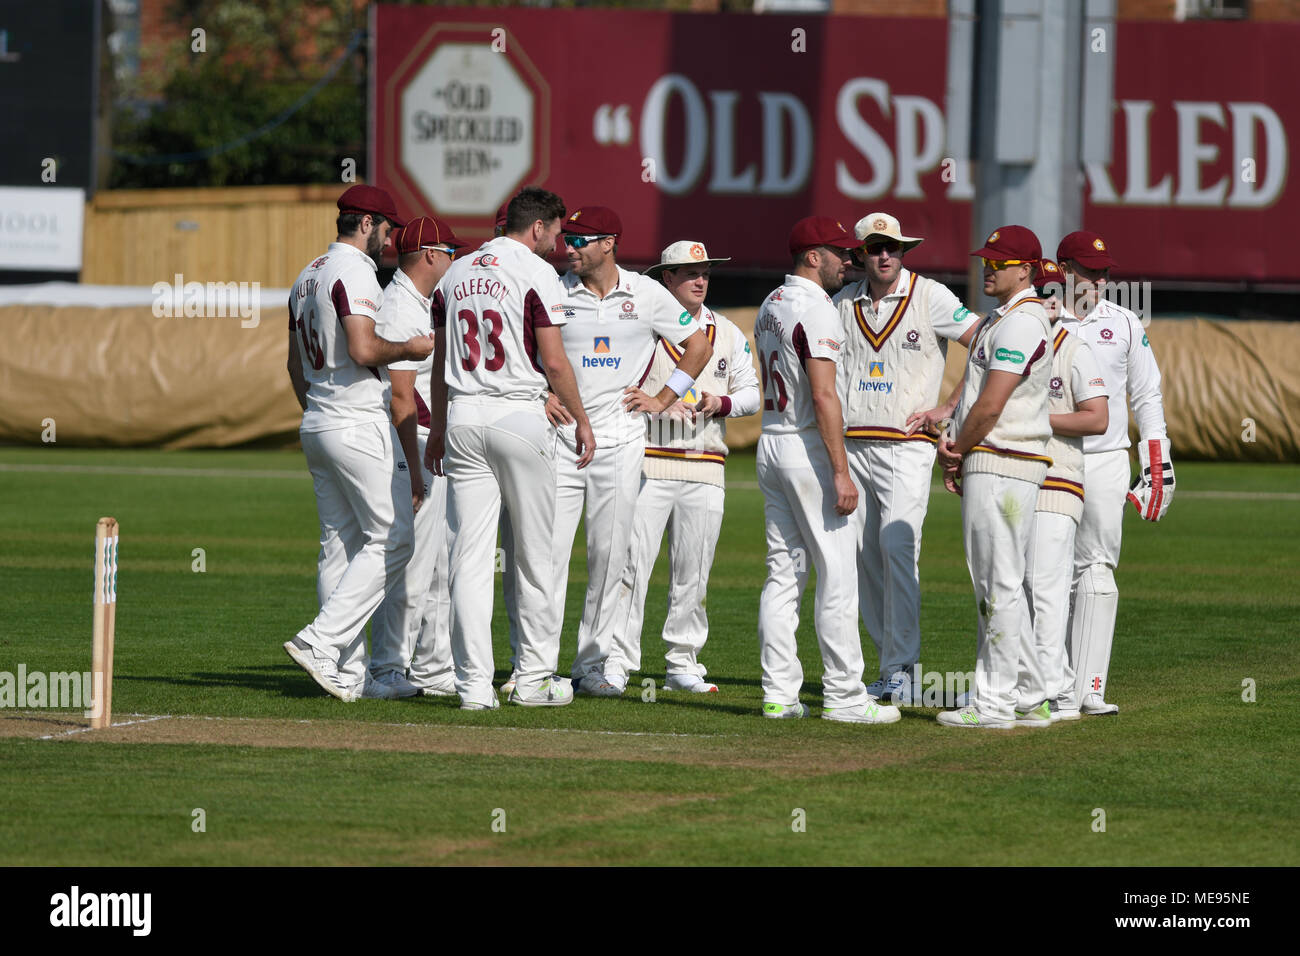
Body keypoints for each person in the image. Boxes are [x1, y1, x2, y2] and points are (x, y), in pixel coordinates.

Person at [424, 186, 596, 710]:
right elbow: (556, 361)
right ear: (538, 226)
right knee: (536, 555)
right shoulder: (537, 272)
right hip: (518, 414)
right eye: (558, 230)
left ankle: (474, 687)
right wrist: (583, 420)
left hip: (462, 415)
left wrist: (436, 427)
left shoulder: (454, 273)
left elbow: (437, 362)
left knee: (468, 560)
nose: (559, 243)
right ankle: (534, 679)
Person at [545, 206, 713, 697]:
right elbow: (524, 349)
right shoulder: (555, 290)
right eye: (567, 238)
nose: (569, 247)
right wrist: (541, 392)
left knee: (610, 558)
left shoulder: (646, 292)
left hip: (620, 442)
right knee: (547, 557)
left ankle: (591, 666)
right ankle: (534, 663)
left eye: (580, 240)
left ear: (609, 243)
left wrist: (664, 398)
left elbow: (697, 345)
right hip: (560, 439)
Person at [283, 184, 434, 701]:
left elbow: (292, 366)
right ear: (367, 223)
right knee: (395, 538)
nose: (390, 241)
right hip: (353, 418)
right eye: (387, 229)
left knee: (341, 546)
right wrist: (412, 347)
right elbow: (364, 346)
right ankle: (322, 641)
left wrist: (319, 413)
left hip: (319, 422)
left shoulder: (307, 275)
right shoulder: (354, 270)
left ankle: (347, 676)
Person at [754, 216, 901, 725]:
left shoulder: (772, 300)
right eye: (839, 252)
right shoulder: (815, 308)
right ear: (812, 256)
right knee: (838, 575)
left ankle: (778, 694)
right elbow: (822, 394)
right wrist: (841, 472)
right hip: (805, 448)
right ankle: (844, 696)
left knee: (784, 575)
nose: (850, 261)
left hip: (771, 443)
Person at [832, 212, 980, 705]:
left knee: (898, 553)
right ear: (858, 254)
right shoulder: (839, 304)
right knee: (863, 562)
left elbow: (988, 345)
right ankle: (887, 667)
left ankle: (904, 668)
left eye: (893, 247)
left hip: (907, 445)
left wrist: (950, 406)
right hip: (854, 445)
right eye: (875, 248)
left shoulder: (931, 295)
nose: (885, 255)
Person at [603, 240, 760, 694]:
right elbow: (614, 388)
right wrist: (654, 409)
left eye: (706, 273)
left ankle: (682, 663)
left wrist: (721, 402)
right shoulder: (642, 331)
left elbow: (751, 394)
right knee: (631, 568)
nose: (700, 280)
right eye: (690, 273)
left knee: (694, 571)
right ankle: (617, 661)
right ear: (665, 279)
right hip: (648, 462)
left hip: (706, 465)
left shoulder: (727, 332)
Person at [923, 225, 1053, 729]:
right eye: (987, 260)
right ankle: (1029, 694)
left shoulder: (1022, 323)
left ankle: (995, 703)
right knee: (1003, 581)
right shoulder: (1004, 319)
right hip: (998, 460)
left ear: (1026, 269)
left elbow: (992, 403)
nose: (988, 268)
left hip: (1004, 460)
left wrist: (957, 449)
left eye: (1000, 262)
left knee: (995, 582)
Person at [1056, 230, 1173, 715]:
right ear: (1062, 271)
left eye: (1103, 272)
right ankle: (1049, 684)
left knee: (1098, 570)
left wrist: (1157, 462)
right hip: (1052, 454)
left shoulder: (1124, 322)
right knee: (1044, 572)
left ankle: (1091, 687)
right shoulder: (1038, 318)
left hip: (1106, 459)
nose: (1099, 280)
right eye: (1088, 270)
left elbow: (1147, 396)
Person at [369, 215, 466, 697]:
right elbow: (401, 397)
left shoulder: (421, 302)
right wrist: (412, 472)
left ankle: (431, 666)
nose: (454, 259)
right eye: (450, 250)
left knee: (440, 564)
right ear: (430, 253)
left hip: (430, 441)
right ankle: (387, 665)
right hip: (415, 441)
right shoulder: (400, 306)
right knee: (411, 561)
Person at [1015, 259, 1109, 723]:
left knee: (1046, 586)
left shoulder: (1074, 348)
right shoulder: (1007, 338)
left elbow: (1098, 417)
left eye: (1057, 293)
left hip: (1057, 479)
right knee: (1015, 585)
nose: (1050, 301)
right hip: (1011, 478)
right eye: (1042, 292)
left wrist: (1037, 419)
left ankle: (1055, 692)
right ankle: (1043, 685)